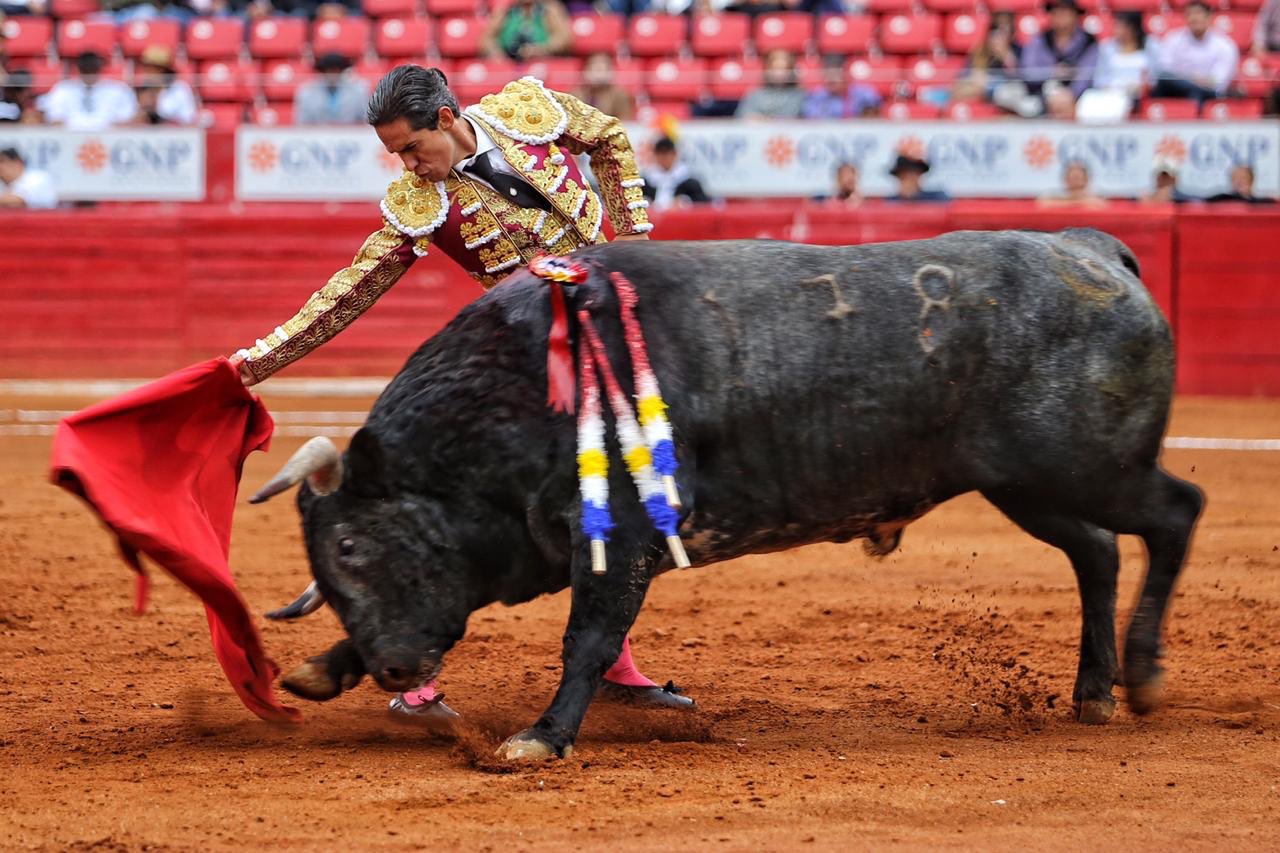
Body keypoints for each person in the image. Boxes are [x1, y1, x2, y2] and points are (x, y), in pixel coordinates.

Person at [227, 67, 684, 723]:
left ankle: (612, 662)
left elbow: (608, 137)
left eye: (412, 148)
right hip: (525, 365)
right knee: (465, 517)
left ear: (445, 118)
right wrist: (251, 363)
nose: (409, 166)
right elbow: (346, 292)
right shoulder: (420, 203)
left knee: (612, 503)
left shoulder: (529, 112)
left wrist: (634, 242)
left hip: (613, 340)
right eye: (397, 155)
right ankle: (411, 676)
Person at [1014, 0, 1098, 116]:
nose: (1059, 16)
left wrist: (1071, 94)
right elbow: (1028, 70)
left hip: (1077, 97)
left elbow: (1087, 74)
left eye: (1064, 12)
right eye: (1055, 12)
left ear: (1075, 15)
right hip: (1042, 94)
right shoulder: (1039, 39)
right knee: (1023, 103)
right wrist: (1051, 72)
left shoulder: (1089, 42)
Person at [1152, 0, 1239, 104]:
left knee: (1195, 95)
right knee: (1161, 84)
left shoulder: (1225, 45)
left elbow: (1218, 82)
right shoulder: (1173, 39)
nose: (1194, 18)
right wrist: (1193, 79)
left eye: (1198, 13)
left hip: (1208, 94)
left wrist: (1188, 79)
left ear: (1209, 17)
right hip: (1175, 89)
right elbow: (1165, 73)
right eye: (1189, 14)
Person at [1078, 11, 1155, 119]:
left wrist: (1141, 87)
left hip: (1137, 95)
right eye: (1116, 25)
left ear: (1133, 28)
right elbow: (1099, 78)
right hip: (1110, 93)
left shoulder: (1151, 46)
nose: (1116, 30)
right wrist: (1110, 88)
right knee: (1090, 102)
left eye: (1121, 26)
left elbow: (1155, 76)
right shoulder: (1107, 48)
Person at [40, 52, 138, 130]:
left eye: (93, 69)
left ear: (100, 68)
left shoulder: (118, 90)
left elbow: (128, 119)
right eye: (85, 69)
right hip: (69, 139)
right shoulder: (63, 89)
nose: (89, 73)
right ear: (78, 69)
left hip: (109, 139)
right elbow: (54, 118)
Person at [954, 12, 1022, 104]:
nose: (999, 35)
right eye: (995, 28)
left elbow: (1022, 79)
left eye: (1005, 29)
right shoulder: (979, 51)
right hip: (976, 90)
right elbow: (963, 77)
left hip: (1004, 92)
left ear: (1012, 32)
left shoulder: (1019, 50)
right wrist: (976, 77)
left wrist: (1006, 56)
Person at [482, 0, 571, 62]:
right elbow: (486, 39)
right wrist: (498, 55)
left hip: (542, 61)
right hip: (509, 61)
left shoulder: (550, 10)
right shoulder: (504, 10)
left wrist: (540, 50)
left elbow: (564, 39)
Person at [294, 53, 369, 125]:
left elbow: (365, 119)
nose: (332, 74)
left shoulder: (357, 90)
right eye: (328, 70)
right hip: (317, 135)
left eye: (336, 70)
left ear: (342, 71)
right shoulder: (307, 91)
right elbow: (302, 122)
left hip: (351, 135)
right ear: (322, 71)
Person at [131, 46, 197, 125]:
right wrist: (142, 113)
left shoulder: (179, 89)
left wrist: (157, 113)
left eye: (152, 68)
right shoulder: (141, 90)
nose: (147, 72)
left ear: (163, 70)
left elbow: (188, 119)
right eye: (146, 67)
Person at [802, 55, 882, 119]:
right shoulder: (816, 96)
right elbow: (812, 120)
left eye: (835, 74)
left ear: (845, 73)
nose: (831, 79)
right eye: (827, 74)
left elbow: (873, 117)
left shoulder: (863, 93)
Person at [641, 135, 709, 209]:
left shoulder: (689, 182)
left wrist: (686, 201)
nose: (664, 158)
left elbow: (704, 203)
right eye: (660, 154)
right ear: (655, 155)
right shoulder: (646, 181)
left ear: (675, 154)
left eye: (667, 153)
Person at [736, 49, 806, 119]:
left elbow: (791, 116)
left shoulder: (799, 95)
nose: (779, 73)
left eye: (784, 69)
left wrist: (765, 119)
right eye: (776, 69)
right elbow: (743, 116)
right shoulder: (754, 94)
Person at [574, 52, 634, 121]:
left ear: (611, 71)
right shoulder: (575, 95)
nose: (599, 74)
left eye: (603, 69)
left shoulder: (621, 95)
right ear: (586, 70)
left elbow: (626, 122)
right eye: (596, 69)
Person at [1038, 159, 1108, 207]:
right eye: (1071, 178)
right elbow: (1043, 203)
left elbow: (1101, 205)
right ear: (1065, 179)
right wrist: (1075, 202)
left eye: (1077, 178)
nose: (1074, 181)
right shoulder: (1054, 195)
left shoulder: (1097, 196)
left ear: (1086, 180)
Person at [1205, 163, 1275, 203]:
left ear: (1251, 181)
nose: (1239, 182)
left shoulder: (1264, 203)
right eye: (1235, 178)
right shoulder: (1221, 199)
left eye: (1243, 178)